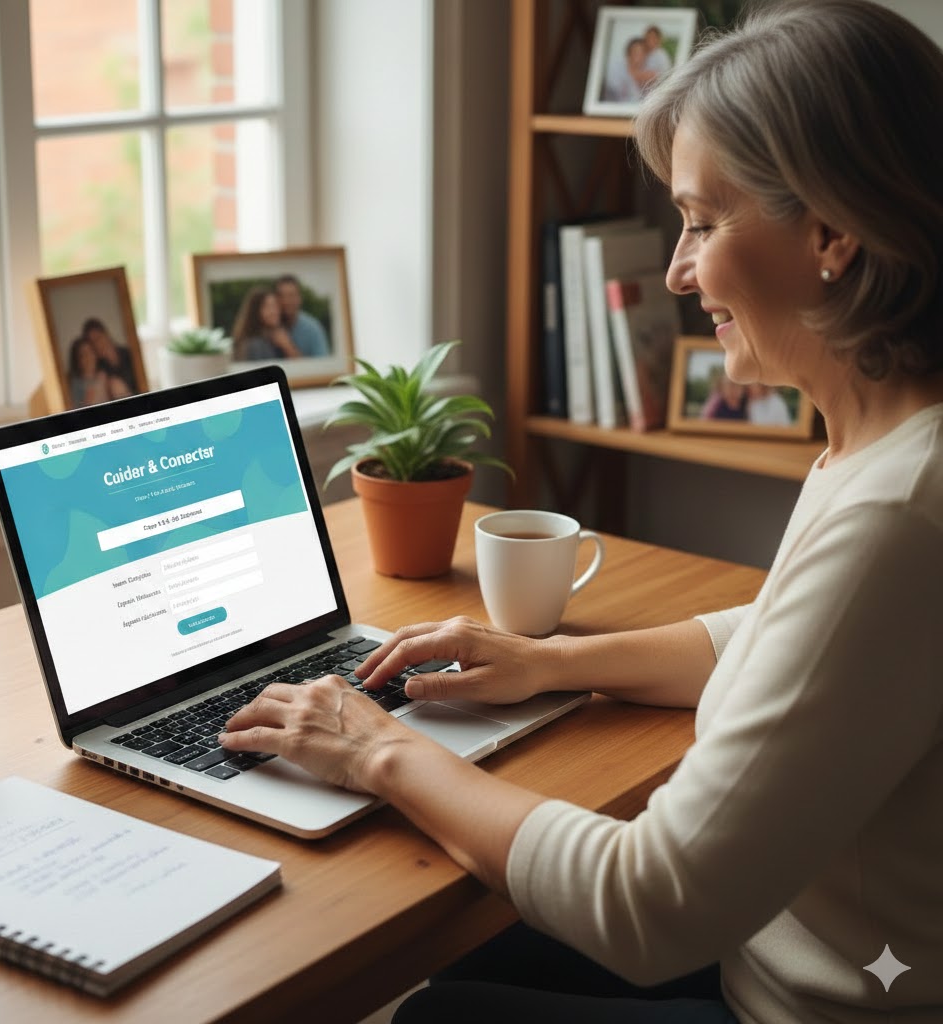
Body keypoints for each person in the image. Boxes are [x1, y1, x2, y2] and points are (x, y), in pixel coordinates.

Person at [218, 2, 943, 1021]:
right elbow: (796, 637)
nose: (678, 269)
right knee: (474, 956)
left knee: (435, 1010)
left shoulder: (901, 510)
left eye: (701, 220)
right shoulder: (889, 442)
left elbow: (649, 902)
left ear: (830, 231)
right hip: (783, 948)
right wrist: (552, 663)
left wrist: (377, 747)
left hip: (812, 1002)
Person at [231, 286, 300, 360]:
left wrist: (287, 346)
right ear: (255, 311)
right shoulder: (255, 344)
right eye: (267, 307)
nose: (274, 311)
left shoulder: (278, 337)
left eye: (275, 305)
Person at [274, 274, 331, 356]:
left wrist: (287, 347)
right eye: (281, 296)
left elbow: (323, 366)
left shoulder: (313, 329)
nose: (286, 301)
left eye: (291, 295)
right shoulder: (269, 325)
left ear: (299, 298)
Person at [83, 317, 137, 395]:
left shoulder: (129, 353)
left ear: (106, 334)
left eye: (98, 338)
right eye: (92, 343)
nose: (97, 345)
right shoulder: (99, 369)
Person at [67, 335, 111, 407]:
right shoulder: (76, 383)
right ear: (78, 361)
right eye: (83, 355)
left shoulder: (104, 374)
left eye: (91, 352)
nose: (89, 357)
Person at [604, 37, 647, 103]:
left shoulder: (647, 77)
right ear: (628, 54)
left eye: (642, 53)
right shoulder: (616, 73)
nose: (640, 56)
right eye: (636, 52)